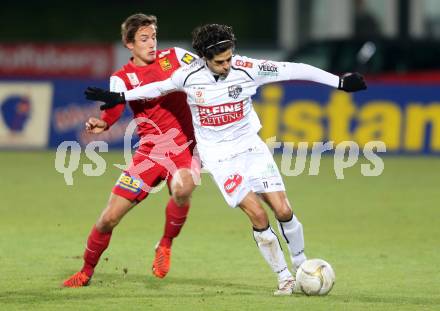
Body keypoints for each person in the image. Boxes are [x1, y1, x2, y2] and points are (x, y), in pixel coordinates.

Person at [85, 24, 366, 295]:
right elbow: (157, 88)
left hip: (251, 148)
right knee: (257, 214)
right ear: (205, 59)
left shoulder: (247, 68)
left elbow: (296, 69)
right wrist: (119, 95)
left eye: (229, 58)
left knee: (282, 210)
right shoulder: (188, 75)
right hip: (220, 159)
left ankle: (301, 263)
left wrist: (339, 82)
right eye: (220, 61)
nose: (227, 65)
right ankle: (284, 278)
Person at [62, 13, 200, 287]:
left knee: (183, 188)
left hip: (185, 147)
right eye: (144, 39)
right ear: (129, 44)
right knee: (107, 219)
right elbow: (113, 108)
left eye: (153, 38)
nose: (152, 44)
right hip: (149, 153)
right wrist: (103, 122)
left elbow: (208, 70)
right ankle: (86, 272)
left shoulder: (175, 57)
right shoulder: (122, 78)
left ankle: (165, 245)